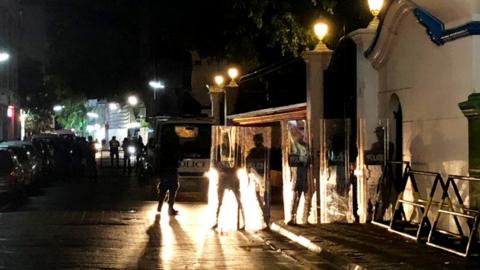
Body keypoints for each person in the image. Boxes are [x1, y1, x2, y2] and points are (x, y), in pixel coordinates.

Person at [211, 132, 246, 230]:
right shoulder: (218, 149)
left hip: (233, 177)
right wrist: (220, 170)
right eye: (225, 138)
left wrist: (235, 169)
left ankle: (243, 222)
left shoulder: (236, 148)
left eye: (228, 138)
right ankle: (216, 221)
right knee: (219, 201)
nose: (226, 141)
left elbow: (240, 163)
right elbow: (214, 163)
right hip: (223, 177)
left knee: (239, 200)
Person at [287, 121, 310, 225]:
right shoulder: (295, 145)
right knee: (296, 195)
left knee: (305, 195)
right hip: (298, 173)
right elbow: (292, 160)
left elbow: (308, 159)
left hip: (304, 173)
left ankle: (305, 217)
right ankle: (293, 217)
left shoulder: (306, 146)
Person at [157, 128, 182, 216]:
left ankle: (160, 206)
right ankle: (170, 208)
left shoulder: (162, 144)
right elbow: (179, 155)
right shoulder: (175, 144)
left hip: (164, 169)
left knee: (163, 188)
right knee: (172, 188)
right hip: (171, 168)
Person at [246, 133, 269, 227]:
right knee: (258, 195)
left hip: (265, 176)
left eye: (258, 140)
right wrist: (248, 174)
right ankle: (264, 212)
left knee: (266, 196)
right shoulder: (253, 151)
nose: (257, 142)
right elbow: (247, 162)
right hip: (256, 177)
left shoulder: (266, 151)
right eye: (256, 141)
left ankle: (266, 215)